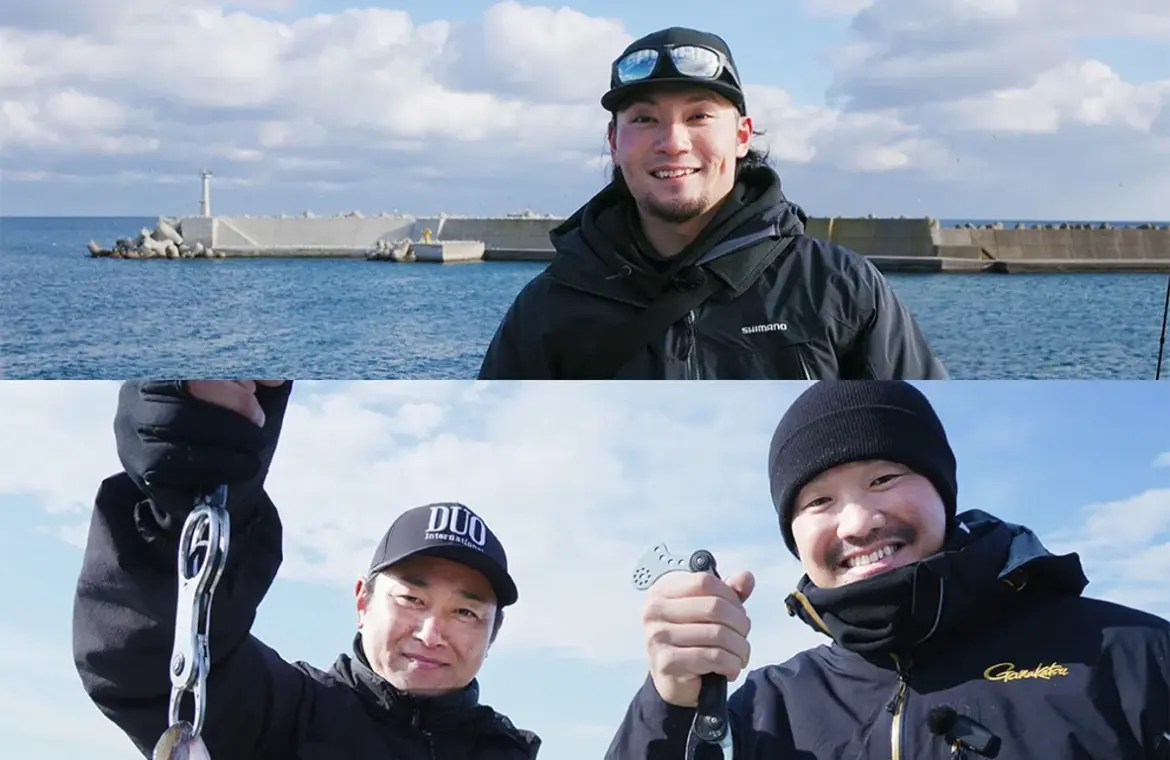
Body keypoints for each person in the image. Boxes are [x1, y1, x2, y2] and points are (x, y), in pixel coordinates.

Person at [605, 381, 1170, 758]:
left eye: (884, 480)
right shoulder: (760, 711)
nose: (856, 522)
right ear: (793, 535)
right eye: (818, 502)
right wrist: (671, 705)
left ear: (943, 494)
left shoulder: (1135, 657)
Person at [72, 380, 541, 760]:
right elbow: (142, 657)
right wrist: (179, 503)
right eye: (412, 599)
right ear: (362, 601)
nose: (432, 633)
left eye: (464, 612)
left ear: (492, 634)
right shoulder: (283, 713)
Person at [478, 27, 947, 380]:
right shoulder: (549, 307)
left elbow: (910, 423)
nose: (673, 142)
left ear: (742, 135)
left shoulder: (838, 288)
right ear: (614, 141)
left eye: (699, 116)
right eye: (644, 119)